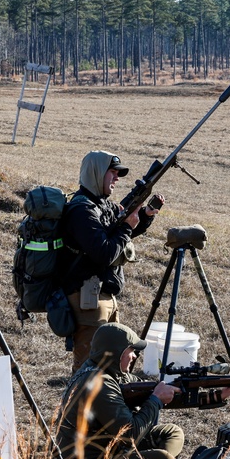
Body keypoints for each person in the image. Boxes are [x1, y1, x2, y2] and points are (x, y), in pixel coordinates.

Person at [55, 322, 230, 459]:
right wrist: (155, 400)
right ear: (116, 352)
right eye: (131, 350)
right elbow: (130, 435)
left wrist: (215, 396)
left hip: (109, 450)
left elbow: (167, 394)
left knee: (172, 432)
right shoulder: (99, 384)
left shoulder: (109, 372)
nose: (135, 355)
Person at [59, 151, 163, 372]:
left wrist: (144, 215)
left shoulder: (102, 206)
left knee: (110, 367)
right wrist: (127, 226)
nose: (116, 178)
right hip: (88, 301)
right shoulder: (82, 210)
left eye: (118, 173)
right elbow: (104, 253)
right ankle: (76, 407)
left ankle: (101, 407)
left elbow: (117, 237)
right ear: (96, 173)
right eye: (112, 173)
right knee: (88, 371)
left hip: (104, 296)